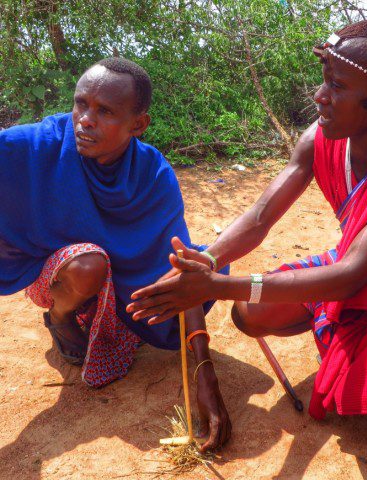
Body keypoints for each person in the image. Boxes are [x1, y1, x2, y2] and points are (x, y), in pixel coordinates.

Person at [128, 17, 367, 450]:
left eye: (337, 85)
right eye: (324, 78)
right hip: (355, 262)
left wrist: (216, 285)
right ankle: (359, 338)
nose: (319, 96)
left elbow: (351, 275)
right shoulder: (321, 137)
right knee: (250, 314)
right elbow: (261, 216)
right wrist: (210, 259)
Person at [0, 58, 231, 451]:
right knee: (89, 263)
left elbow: (183, 267)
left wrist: (204, 373)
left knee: (212, 262)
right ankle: (60, 316)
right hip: (60, 274)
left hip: (121, 285)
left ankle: (111, 315)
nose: (85, 120)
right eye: (81, 103)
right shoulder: (42, 144)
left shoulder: (153, 173)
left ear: (138, 124)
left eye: (105, 111)